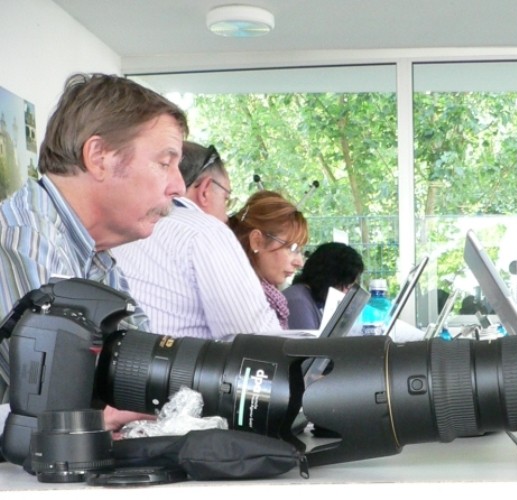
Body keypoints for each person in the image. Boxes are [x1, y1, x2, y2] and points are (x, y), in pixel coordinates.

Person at [0, 73, 189, 430]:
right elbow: (54, 403)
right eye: (165, 163)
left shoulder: (96, 256)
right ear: (99, 156)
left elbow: (137, 368)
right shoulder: (23, 242)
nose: (179, 186)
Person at [112, 141, 283, 339]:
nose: (227, 217)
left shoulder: (120, 224)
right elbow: (256, 338)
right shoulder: (207, 232)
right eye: (226, 199)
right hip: (176, 358)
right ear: (205, 190)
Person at [229, 191, 309, 329]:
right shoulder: (244, 298)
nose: (300, 263)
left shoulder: (269, 297)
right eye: (292, 248)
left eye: (301, 251)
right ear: (257, 241)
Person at [282, 242, 364, 330]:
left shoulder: (313, 298)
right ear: (330, 278)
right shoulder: (298, 302)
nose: (346, 292)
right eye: (346, 285)